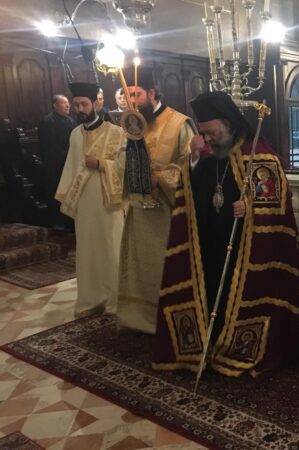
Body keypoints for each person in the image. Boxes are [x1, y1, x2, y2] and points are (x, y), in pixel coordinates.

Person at [153, 91, 299, 376]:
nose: (207, 138)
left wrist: (251, 208)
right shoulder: (206, 154)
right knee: (212, 289)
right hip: (212, 241)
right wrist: (194, 158)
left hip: (247, 247)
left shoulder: (258, 153)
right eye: (203, 133)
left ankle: (238, 343)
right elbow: (192, 194)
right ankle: (213, 338)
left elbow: (278, 205)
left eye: (211, 132)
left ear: (228, 124)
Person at [117, 67, 196, 334]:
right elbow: (118, 159)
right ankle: (138, 316)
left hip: (168, 213)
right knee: (140, 263)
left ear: (151, 93)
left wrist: (160, 178)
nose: (132, 102)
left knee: (168, 264)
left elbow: (192, 166)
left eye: (137, 95)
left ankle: (170, 317)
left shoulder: (179, 123)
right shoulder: (130, 124)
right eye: (127, 96)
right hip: (140, 210)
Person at [55, 82, 126, 318]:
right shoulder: (75, 134)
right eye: (76, 105)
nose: (79, 109)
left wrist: (101, 164)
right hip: (84, 203)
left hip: (108, 202)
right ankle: (91, 299)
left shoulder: (115, 132)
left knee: (110, 249)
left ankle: (115, 300)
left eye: (84, 104)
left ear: (95, 103)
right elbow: (71, 166)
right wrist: (68, 197)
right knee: (87, 250)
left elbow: (124, 167)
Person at [37, 94, 75, 231]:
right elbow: (49, 146)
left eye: (68, 103)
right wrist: (68, 157)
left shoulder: (71, 121)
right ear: (55, 105)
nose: (68, 105)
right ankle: (59, 223)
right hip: (55, 167)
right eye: (63, 103)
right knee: (57, 194)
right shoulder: (47, 122)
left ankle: (70, 221)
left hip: (70, 164)